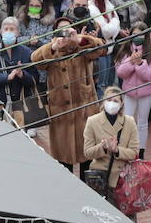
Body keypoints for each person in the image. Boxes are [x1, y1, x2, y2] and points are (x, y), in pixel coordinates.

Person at [31, 18, 105, 172]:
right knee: (64, 163)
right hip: (61, 116)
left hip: (85, 112)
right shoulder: (52, 50)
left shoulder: (81, 47)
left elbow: (101, 49)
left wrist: (79, 39)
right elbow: (35, 60)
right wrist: (53, 46)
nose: (65, 34)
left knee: (88, 160)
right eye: (61, 31)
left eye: (68, 30)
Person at [82, 87, 140, 202]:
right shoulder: (92, 121)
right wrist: (102, 147)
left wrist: (117, 150)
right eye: (108, 100)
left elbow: (134, 153)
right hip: (101, 178)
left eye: (115, 101)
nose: (111, 103)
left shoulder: (129, 122)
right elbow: (87, 153)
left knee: (125, 217)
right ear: (103, 101)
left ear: (121, 104)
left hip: (124, 179)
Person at [113, 27, 151, 157]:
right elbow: (120, 73)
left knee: (142, 123)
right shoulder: (125, 49)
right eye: (134, 34)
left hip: (146, 94)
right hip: (129, 93)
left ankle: (141, 151)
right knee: (126, 121)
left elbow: (150, 75)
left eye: (141, 35)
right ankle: (125, 148)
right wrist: (131, 62)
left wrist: (140, 64)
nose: (137, 37)